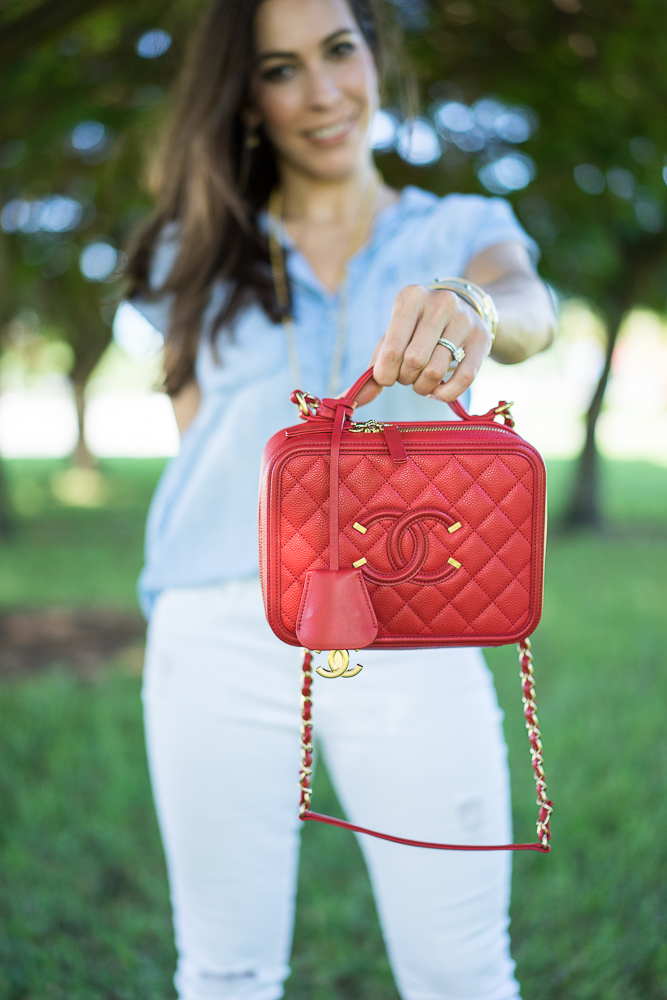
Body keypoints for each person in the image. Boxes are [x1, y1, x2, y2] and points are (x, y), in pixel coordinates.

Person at [125, 0, 556, 997]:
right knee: (224, 969)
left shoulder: (459, 227)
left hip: (415, 619)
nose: (321, 92)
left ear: (372, 56)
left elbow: (529, 309)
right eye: (280, 70)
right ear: (244, 99)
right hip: (217, 629)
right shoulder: (186, 255)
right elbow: (202, 449)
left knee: (461, 970)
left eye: (338, 51)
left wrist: (474, 308)